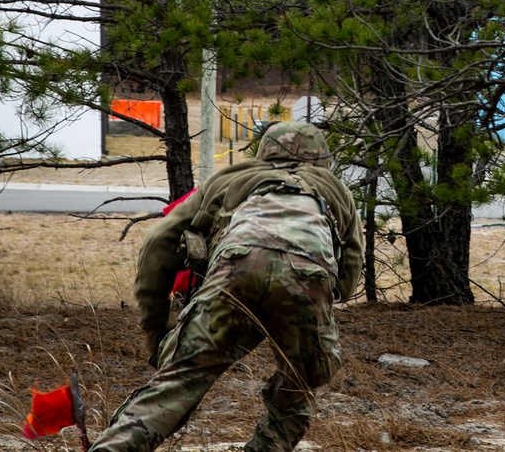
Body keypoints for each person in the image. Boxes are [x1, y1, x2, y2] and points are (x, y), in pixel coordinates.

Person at [90, 122, 363, 452]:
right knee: (299, 384)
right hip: (309, 276)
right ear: (322, 160)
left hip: (234, 268)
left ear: (263, 153)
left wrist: (156, 333)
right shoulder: (336, 190)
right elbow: (347, 281)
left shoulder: (228, 179)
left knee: (176, 384)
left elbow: (158, 240)